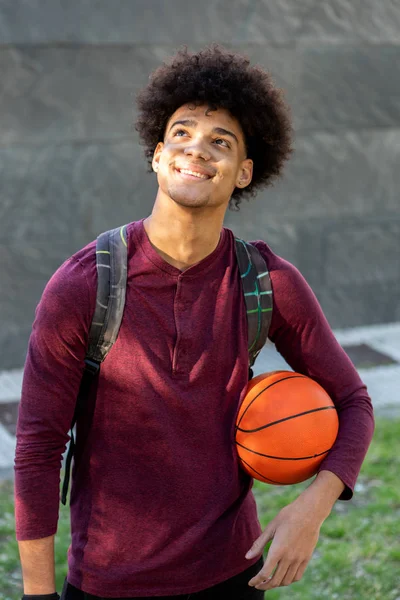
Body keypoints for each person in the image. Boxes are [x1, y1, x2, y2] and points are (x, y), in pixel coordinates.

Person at [15, 45, 374, 599]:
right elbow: (38, 447)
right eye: (181, 134)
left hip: (233, 574)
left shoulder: (267, 282)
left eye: (220, 142)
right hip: (109, 584)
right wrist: (37, 597)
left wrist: (313, 508)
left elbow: (353, 401)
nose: (196, 150)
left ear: (245, 172)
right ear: (157, 156)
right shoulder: (85, 285)